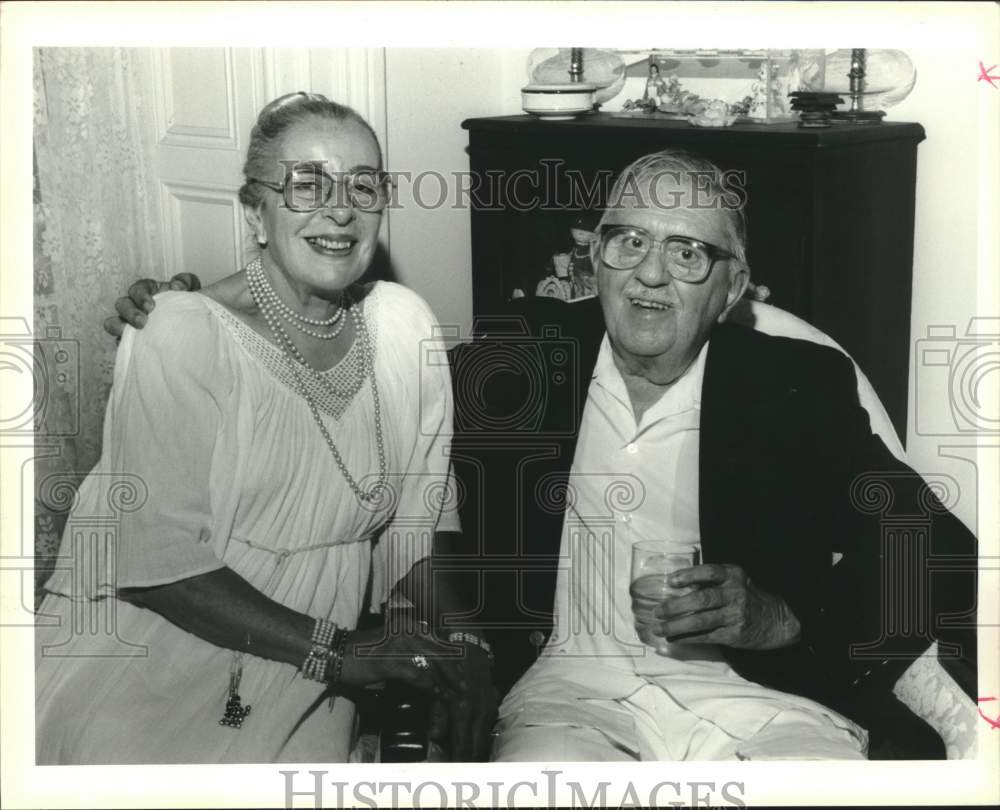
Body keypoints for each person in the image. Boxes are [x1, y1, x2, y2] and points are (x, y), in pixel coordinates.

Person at [108, 149, 978, 761]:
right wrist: (200, 314)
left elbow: (936, 551)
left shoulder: (801, 384)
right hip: (566, 698)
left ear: (732, 289)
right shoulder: (516, 362)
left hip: (765, 702)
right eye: (627, 239)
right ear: (593, 258)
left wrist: (785, 619)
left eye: (688, 251)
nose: (649, 273)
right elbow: (336, 378)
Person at [37, 92, 495, 765]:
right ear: (256, 211)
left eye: (363, 187)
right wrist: (339, 652)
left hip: (315, 663)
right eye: (307, 185)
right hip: (163, 646)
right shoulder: (177, 330)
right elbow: (159, 568)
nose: (339, 209)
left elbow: (416, 526)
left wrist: (466, 647)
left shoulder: (405, 325)